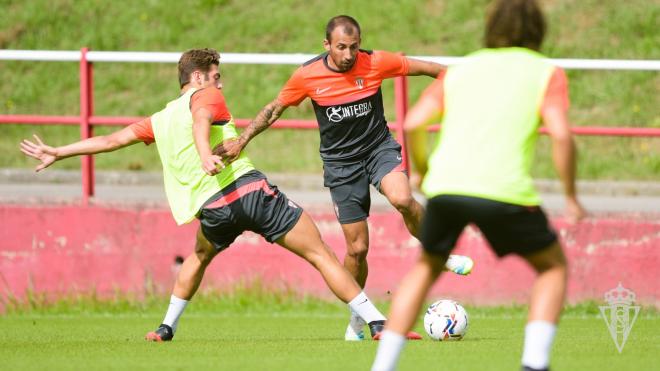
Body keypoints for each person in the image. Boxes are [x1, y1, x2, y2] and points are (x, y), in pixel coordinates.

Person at [19, 48, 421, 342]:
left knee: (199, 256)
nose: (220, 82)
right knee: (322, 254)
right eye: (215, 74)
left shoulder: (158, 120)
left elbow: (111, 139)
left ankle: (166, 327)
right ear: (197, 78)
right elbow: (201, 121)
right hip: (249, 193)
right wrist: (205, 154)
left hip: (212, 210)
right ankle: (376, 322)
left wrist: (60, 151)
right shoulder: (205, 97)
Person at [213, 15, 474, 341]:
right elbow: (274, 108)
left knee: (403, 198)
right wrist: (241, 140)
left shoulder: (375, 62)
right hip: (340, 165)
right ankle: (357, 320)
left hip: (379, 150)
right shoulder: (308, 75)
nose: (349, 54)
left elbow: (432, 69)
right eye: (341, 47)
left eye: (353, 47)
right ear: (327, 45)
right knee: (357, 249)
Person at [370, 1, 588, 370]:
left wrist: (422, 170)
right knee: (552, 268)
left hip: (447, 188)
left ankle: (383, 365)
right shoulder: (546, 73)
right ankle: (534, 364)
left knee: (425, 269)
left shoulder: (463, 69)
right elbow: (563, 136)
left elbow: (413, 124)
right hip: (505, 191)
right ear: (538, 30)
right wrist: (570, 196)